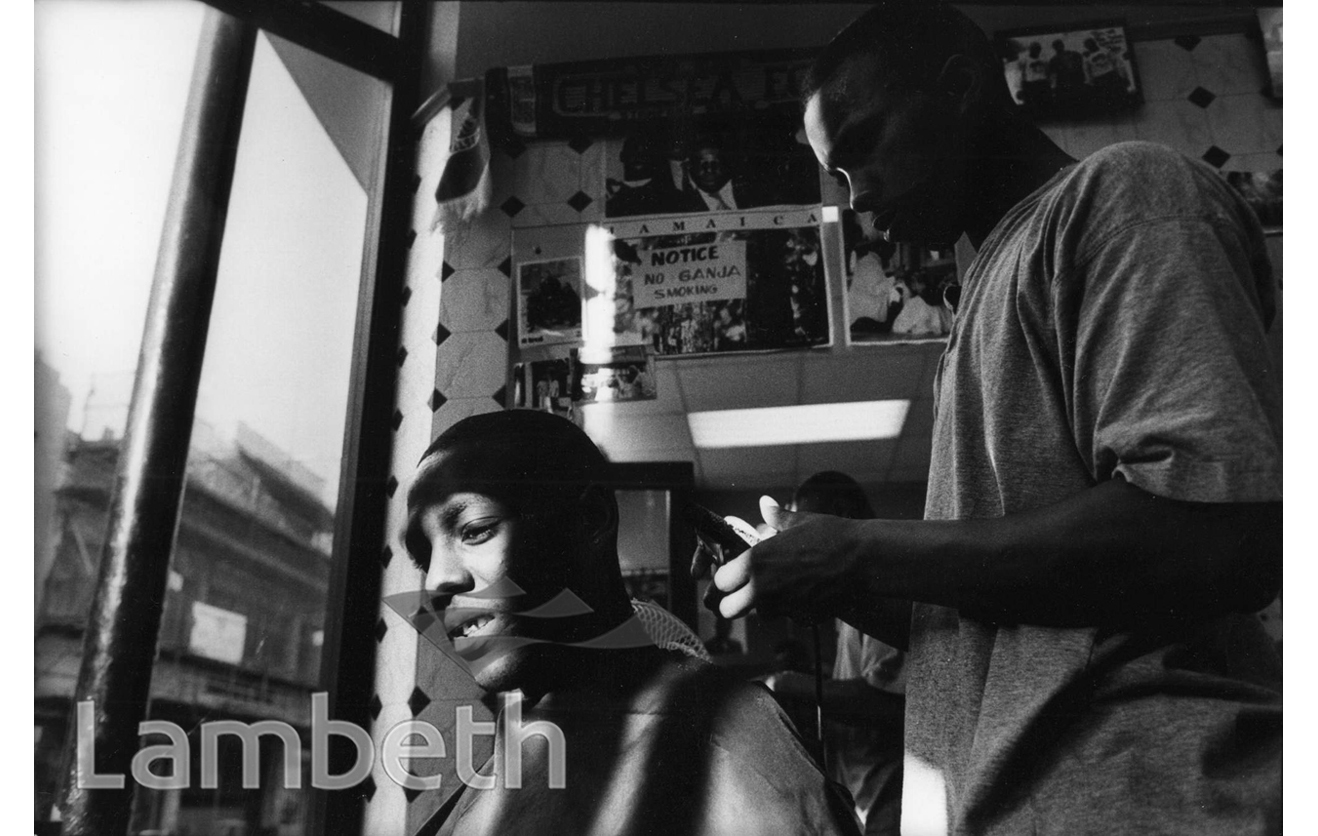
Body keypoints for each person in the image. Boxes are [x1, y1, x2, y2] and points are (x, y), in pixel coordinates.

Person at [697, 2, 1282, 834]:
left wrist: (864, 546)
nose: (857, 196)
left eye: (864, 143)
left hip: (1151, 798)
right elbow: (994, 632)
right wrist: (838, 576)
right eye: (837, 175)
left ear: (962, 88)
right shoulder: (976, 302)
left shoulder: (1124, 193)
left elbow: (1217, 534)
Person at [403, 410, 861, 836]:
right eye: (424, 559)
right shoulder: (500, 769)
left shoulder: (721, 738)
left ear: (591, 518)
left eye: (475, 530)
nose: (440, 580)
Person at [762, 473, 907, 836]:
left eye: (803, 526)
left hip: (890, 800)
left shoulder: (886, 586)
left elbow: (890, 702)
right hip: (863, 794)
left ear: (840, 514)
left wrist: (791, 684)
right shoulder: (850, 597)